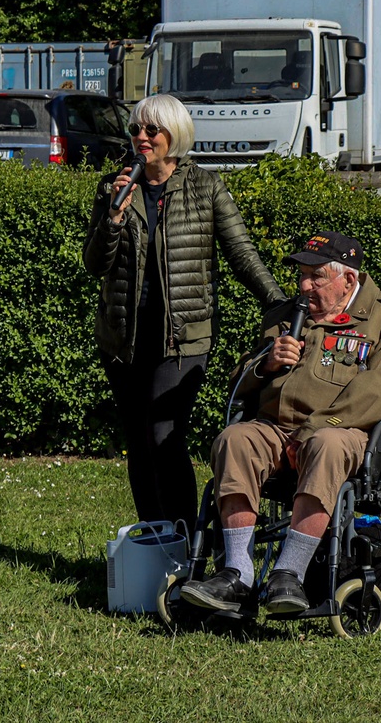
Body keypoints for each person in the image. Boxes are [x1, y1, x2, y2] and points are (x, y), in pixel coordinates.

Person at [180, 231, 381, 613]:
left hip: (342, 429)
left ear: (348, 280)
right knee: (234, 439)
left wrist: (318, 426)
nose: (304, 286)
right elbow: (239, 381)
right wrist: (266, 363)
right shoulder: (286, 315)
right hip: (274, 428)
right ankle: (237, 574)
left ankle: (288, 573)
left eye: (316, 276)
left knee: (326, 445)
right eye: (301, 275)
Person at [83, 94, 284, 533]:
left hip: (183, 338)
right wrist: (114, 215)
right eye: (136, 129)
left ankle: (183, 540)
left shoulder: (205, 186)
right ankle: (154, 539)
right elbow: (95, 264)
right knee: (138, 441)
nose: (141, 138)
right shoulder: (113, 188)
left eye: (151, 130)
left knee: (164, 437)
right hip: (125, 335)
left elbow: (240, 252)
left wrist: (278, 301)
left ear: (174, 135)